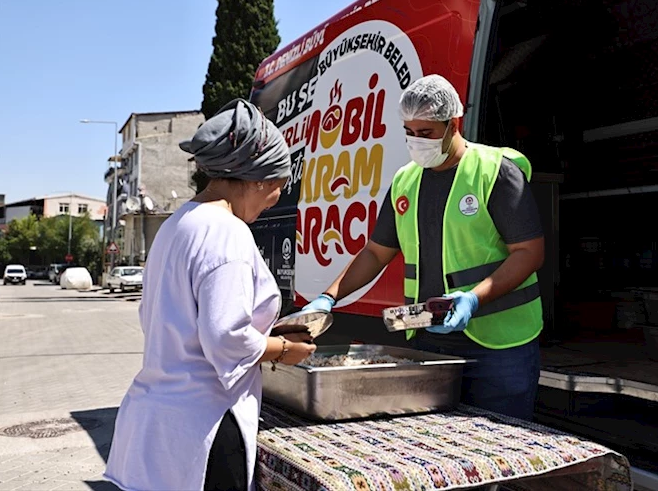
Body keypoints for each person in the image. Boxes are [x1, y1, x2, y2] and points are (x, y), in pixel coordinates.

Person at [304, 74, 545, 421]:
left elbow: (529, 253)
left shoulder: (495, 171)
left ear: (453, 124)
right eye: (410, 133)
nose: (417, 142)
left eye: (427, 133)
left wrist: (474, 298)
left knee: (500, 450)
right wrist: (328, 297)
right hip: (430, 343)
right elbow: (376, 252)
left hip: (500, 346)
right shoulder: (405, 181)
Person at [104, 99, 316, 491]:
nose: (275, 198)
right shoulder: (227, 232)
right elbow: (226, 336)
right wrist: (284, 348)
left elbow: (176, 317)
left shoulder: (177, 224)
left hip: (155, 421)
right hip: (205, 428)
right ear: (255, 180)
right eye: (277, 186)